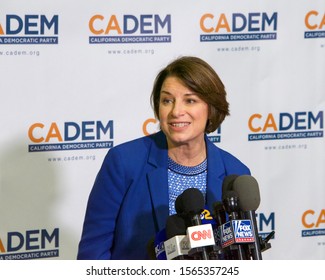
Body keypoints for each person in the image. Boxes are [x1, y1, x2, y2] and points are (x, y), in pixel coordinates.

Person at [77, 56, 250, 260]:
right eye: (167, 100)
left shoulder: (236, 174)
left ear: (211, 108)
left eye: (190, 100)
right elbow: (93, 251)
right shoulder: (123, 162)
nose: (176, 111)